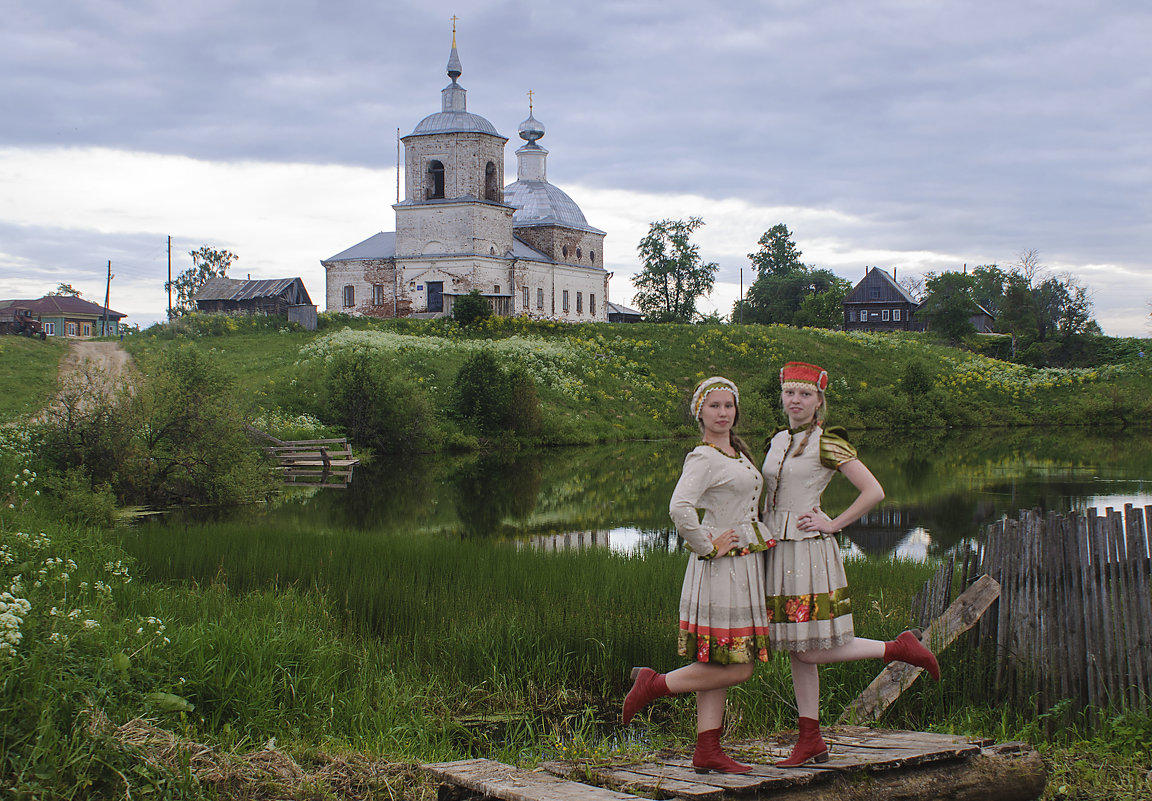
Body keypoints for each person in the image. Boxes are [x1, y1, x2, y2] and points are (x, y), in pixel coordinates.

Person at [762, 361, 940, 767]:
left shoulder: (829, 442)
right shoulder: (776, 442)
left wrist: (833, 524)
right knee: (796, 649)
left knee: (807, 650)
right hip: (777, 550)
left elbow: (873, 490)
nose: (796, 400)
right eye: (790, 393)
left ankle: (897, 648)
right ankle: (811, 740)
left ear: (819, 400)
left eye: (805, 394)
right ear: (783, 396)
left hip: (808, 551)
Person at [622, 377, 774, 774]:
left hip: (743, 566)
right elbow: (679, 508)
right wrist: (707, 545)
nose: (724, 413)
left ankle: (708, 750)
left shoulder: (736, 452)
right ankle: (654, 685)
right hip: (722, 569)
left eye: (729, 405)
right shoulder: (703, 457)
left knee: (720, 663)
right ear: (700, 413)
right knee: (739, 666)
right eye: (715, 406)